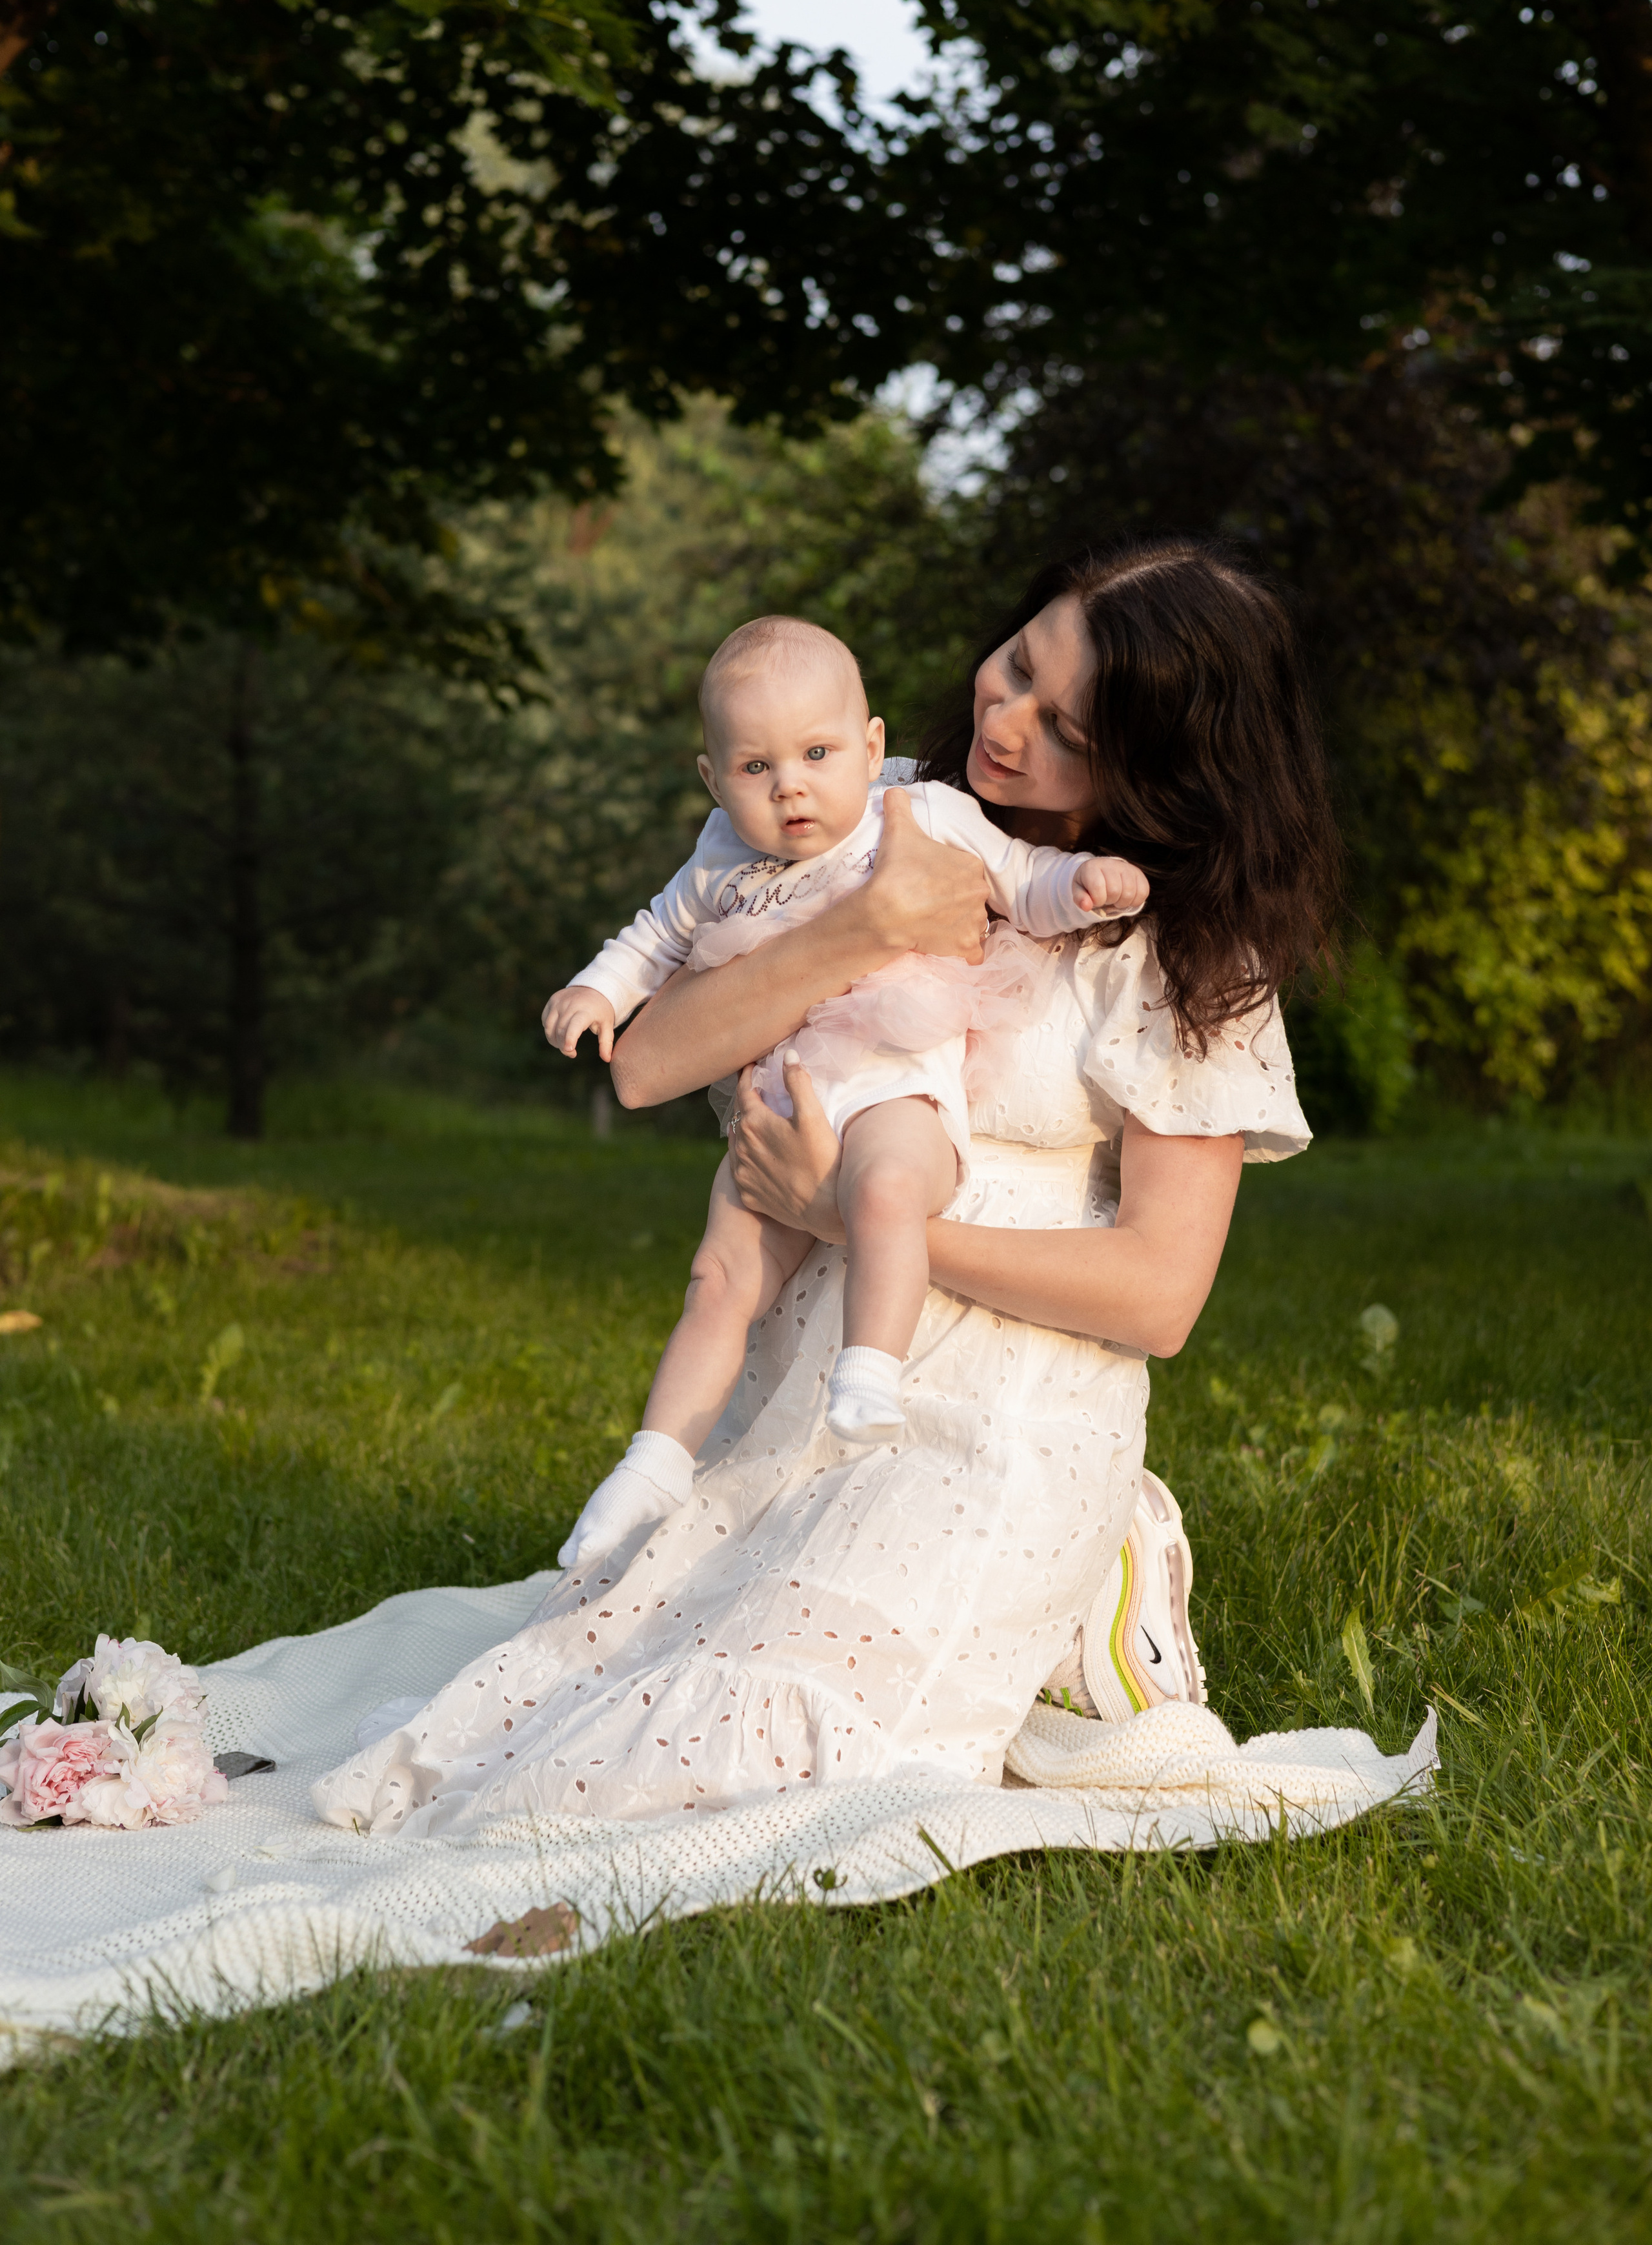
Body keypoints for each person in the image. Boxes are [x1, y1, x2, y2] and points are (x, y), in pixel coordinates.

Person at [311, 537, 1336, 1836]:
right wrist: (868, 922)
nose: (1002, 723)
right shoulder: (866, 808)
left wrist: (844, 1215)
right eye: (1013, 667)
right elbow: (645, 1066)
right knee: (570, 1704)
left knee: (747, 1755)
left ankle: (1094, 1570)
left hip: (1007, 1427)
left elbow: (1156, 1296)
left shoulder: (1191, 954)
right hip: (812, 1388)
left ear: (1157, 770)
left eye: (1062, 726)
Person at [543, 613, 1149, 1553]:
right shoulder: (720, 858)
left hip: (893, 1073)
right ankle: (653, 1461)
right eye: (755, 769)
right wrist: (596, 990)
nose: (791, 787)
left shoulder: (918, 812)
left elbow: (1021, 878)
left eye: (817, 753)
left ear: (871, 750)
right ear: (713, 780)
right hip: (782, 1096)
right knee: (718, 1273)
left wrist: (1082, 883)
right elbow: (655, 935)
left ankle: (869, 1371)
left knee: (887, 1190)